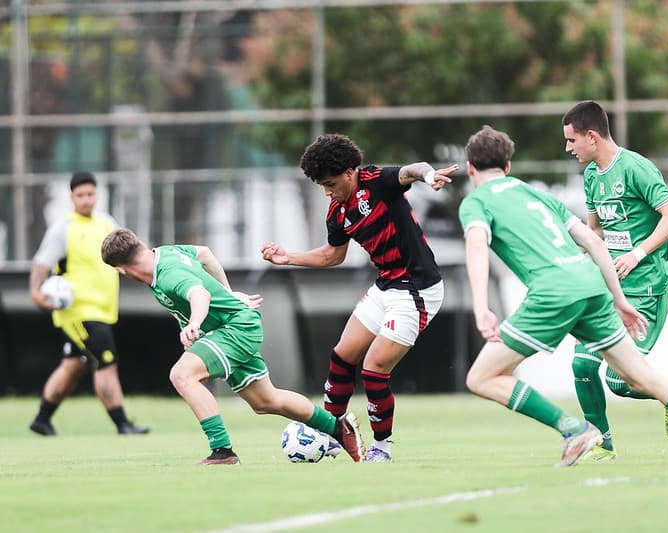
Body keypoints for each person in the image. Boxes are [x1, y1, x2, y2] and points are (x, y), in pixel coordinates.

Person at [458, 125, 668, 467]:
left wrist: (481, 307)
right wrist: (618, 299)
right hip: (591, 283)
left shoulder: (476, 202)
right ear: (508, 167)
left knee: (480, 377)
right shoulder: (536, 195)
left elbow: (477, 247)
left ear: (469, 168)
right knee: (640, 375)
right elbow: (595, 242)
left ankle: (573, 429)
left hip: (554, 292)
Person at [260, 133, 458, 463]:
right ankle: (332, 433)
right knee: (342, 357)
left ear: (350, 172)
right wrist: (287, 257)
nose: (327, 191)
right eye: (321, 185)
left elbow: (412, 169)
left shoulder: (376, 181)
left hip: (417, 289)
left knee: (374, 369)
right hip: (387, 286)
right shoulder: (337, 212)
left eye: (330, 182)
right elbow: (331, 256)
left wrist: (429, 175)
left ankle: (382, 447)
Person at [101, 228, 365, 465]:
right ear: (141, 246)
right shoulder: (166, 253)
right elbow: (205, 254)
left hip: (234, 328)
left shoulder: (167, 274)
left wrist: (194, 323)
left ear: (120, 270)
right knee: (265, 401)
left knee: (182, 375)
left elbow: (199, 294)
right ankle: (338, 428)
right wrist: (229, 295)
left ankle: (222, 451)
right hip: (233, 324)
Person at [562, 101, 668, 461]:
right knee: (582, 364)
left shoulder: (636, 168)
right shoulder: (590, 176)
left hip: (647, 286)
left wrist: (638, 253)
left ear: (591, 136)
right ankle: (601, 446)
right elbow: (594, 232)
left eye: (572, 140)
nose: (568, 148)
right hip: (611, 289)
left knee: (620, 382)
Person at [28, 172, 149, 436]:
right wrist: (36, 293)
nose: (86, 200)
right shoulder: (63, 229)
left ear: (97, 194)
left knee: (74, 364)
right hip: (78, 311)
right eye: (80, 195)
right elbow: (41, 264)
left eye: (90, 194)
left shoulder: (106, 223)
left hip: (103, 308)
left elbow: (130, 250)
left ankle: (41, 419)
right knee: (107, 362)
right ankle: (122, 424)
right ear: (72, 197)